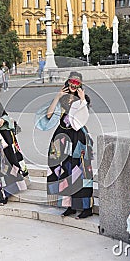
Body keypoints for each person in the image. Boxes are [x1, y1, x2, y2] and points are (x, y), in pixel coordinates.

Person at [43, 71, 94, 219]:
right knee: (64, 171)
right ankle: (69, 205)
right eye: (71, 82)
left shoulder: (84, 99)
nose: (73, 85)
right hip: (62, 138)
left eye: (77, 83)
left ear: (80, 85)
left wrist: (83, 100)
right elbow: (49, 115)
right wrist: (58, 96)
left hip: (78, 137)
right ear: (67, 82)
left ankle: (86, 207)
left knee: (82, 171)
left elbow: (81, 118)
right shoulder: (62, 99)